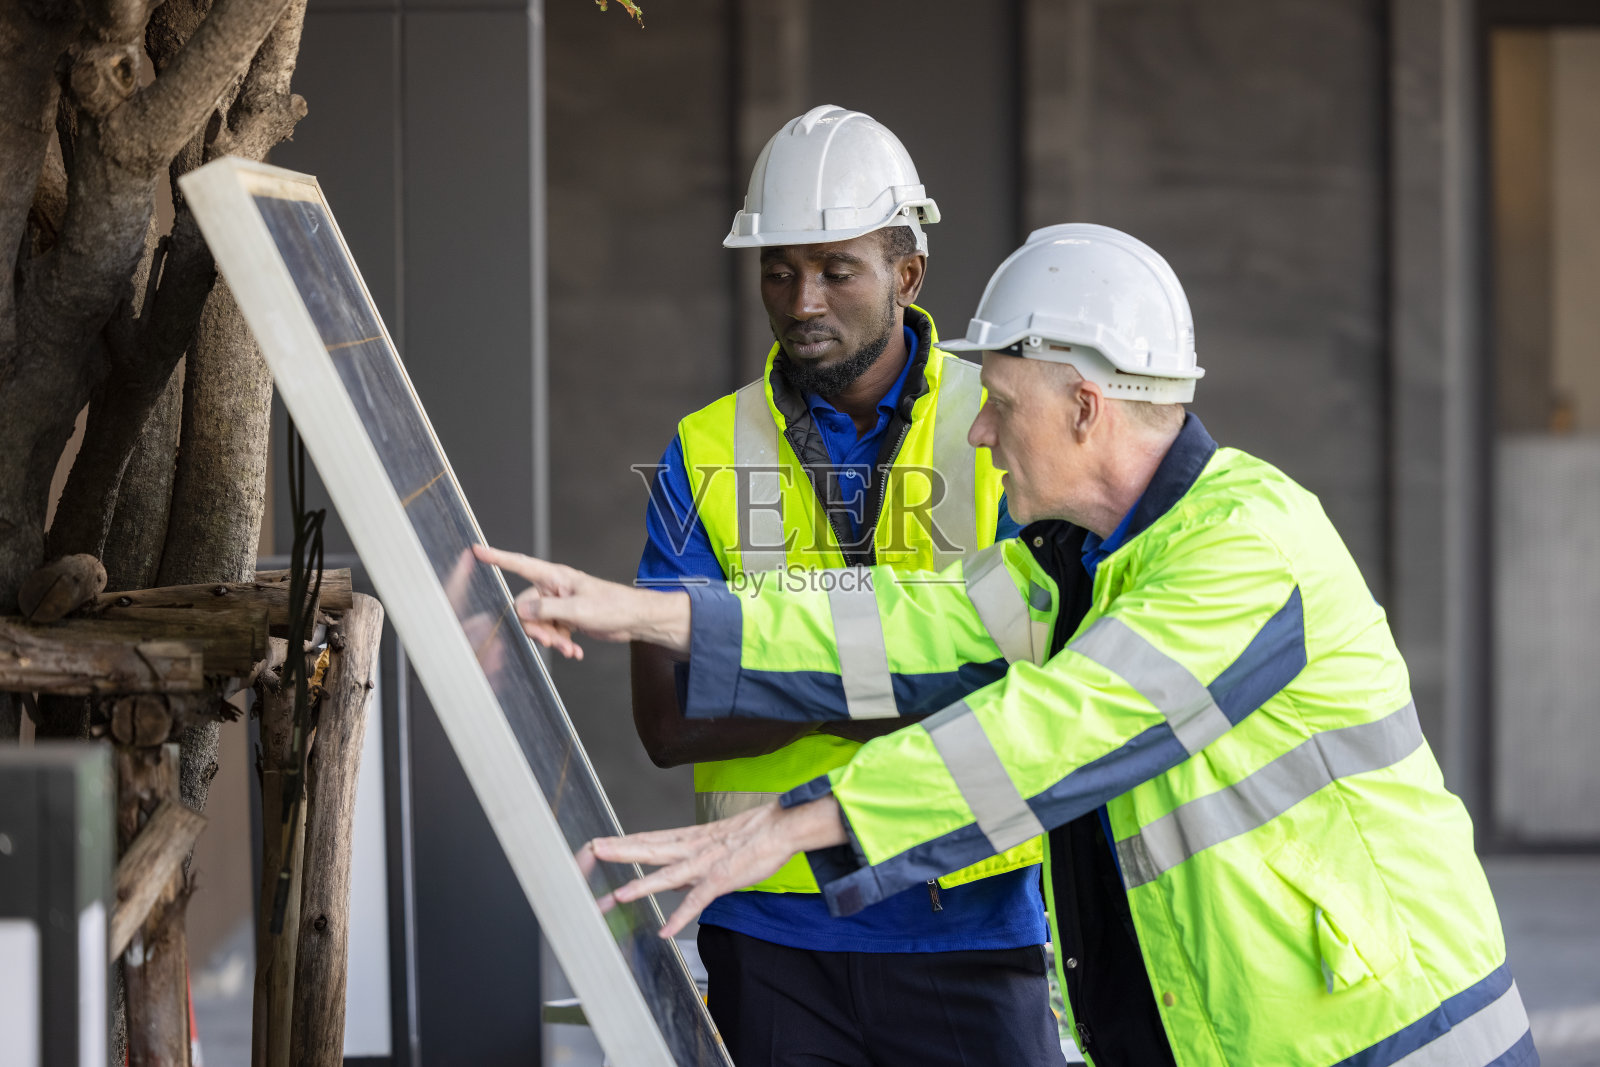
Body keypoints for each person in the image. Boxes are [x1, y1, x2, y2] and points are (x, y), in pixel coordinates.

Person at [477, 223, 1538, 1067]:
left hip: (1388, 1040)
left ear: (1084, 406)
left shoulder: (1244, 547)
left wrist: (805, 820)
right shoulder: (1080, 556)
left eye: (997, 403)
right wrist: (650, 613)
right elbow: (904, 618)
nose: (977, 435)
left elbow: (1054, 732)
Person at [627, 105, 1059, 1066]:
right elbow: (664, 720)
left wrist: (766, 674)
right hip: (773, 929)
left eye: (836, 269)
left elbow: (1041, 674)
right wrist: (909, 686)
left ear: (907, 273)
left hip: (972, 911)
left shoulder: (1002, 421)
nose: (801, 299)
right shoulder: (703, 450)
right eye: (778, 270)